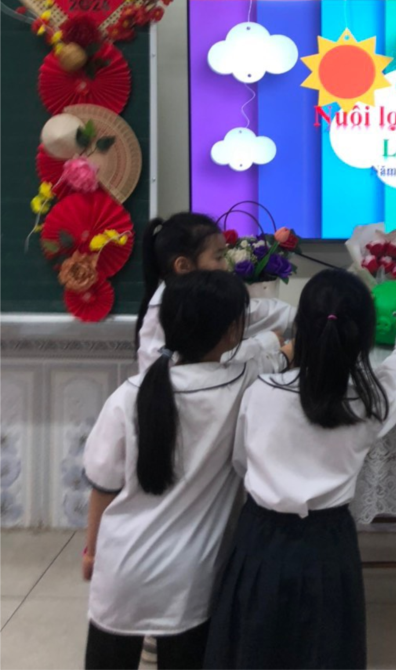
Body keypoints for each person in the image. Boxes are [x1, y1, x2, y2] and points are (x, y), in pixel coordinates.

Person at [204, 269, 396, 670]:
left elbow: (241, 462)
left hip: (259, 538)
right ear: (363, 338)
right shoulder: (370, 403)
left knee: (253, 643)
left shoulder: (262, 392)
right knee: (324, 649)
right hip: (328, 545)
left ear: (301, 330)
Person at [82, 271, 292, 670]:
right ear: (232, 331)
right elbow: (282, 355)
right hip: (191, 580)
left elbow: (103, 487)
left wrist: (91, 551)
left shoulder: (128, 395)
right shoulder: (244, 382)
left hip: (122, 570)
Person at [135, 213, 295, 373]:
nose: (226, 266)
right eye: (218, 257)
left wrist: (302, 318)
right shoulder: (162, 321)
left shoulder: (204, 298)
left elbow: (259, 313)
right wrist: (266, 343)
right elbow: (203, 368)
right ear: (183, 266)